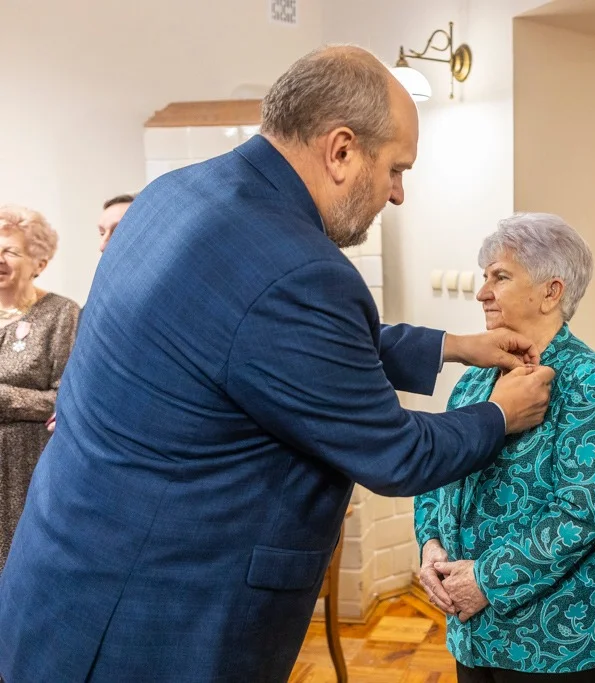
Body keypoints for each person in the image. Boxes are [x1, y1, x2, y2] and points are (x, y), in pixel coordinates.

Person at [0, 46, 555, 683]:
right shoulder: (302, 268)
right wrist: (500, 413)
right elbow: (397, 454)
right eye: (396, 169)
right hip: (158, 613)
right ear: (341, 150)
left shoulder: (174, 194)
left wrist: (453, 346)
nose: (398, 195)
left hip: (64, 576)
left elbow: (272, 341)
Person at [415, 213, 595, 682]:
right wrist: (430, 547)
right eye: (484, 276)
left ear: (552, 292)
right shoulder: (474, 378)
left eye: (500, 276)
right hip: (471, 630)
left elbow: (580, 513)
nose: (482, 291)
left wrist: (484, 581)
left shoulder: (592, 381)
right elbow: (438, 474)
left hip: (551, 638)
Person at [0, 206, 79, 569]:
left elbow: (68, 399)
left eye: (10, 251)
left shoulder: (61, 314)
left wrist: (6, 398)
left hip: (24, 467)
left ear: (40, 263)